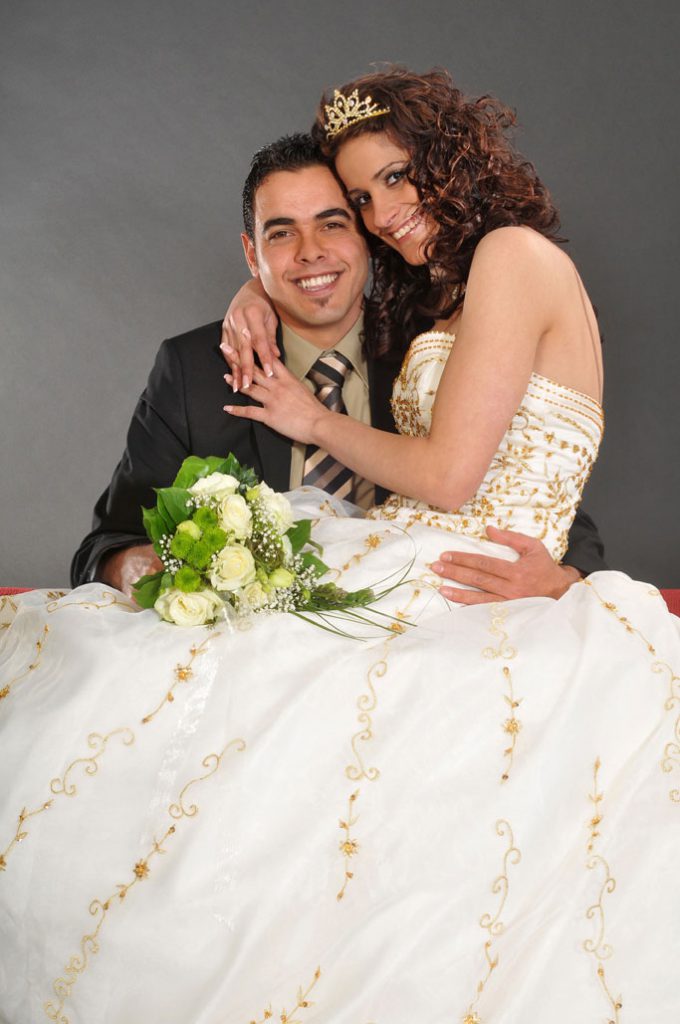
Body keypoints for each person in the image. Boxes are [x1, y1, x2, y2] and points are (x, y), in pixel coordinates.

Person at [2, 68, 679, 1023]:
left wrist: (565, 576)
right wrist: (255, 294)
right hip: (392, 560)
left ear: (446, 162)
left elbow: (489, 483)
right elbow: (110, 532)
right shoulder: (292, 335)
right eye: (358, 199)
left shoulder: (467, 284)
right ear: (254, 249)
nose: (374, 217)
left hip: (463, 571)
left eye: (379, 191)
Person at [71, 133, 605, 602]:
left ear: (368, 235)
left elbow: (536, 487)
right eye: (282, 233)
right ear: (252, 254)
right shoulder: (195, 369)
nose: (312, 252)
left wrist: (564, 579)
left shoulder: (434, 346)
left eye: (333, 223)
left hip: (426, 615)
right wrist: (151, 570)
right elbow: (106, 546)